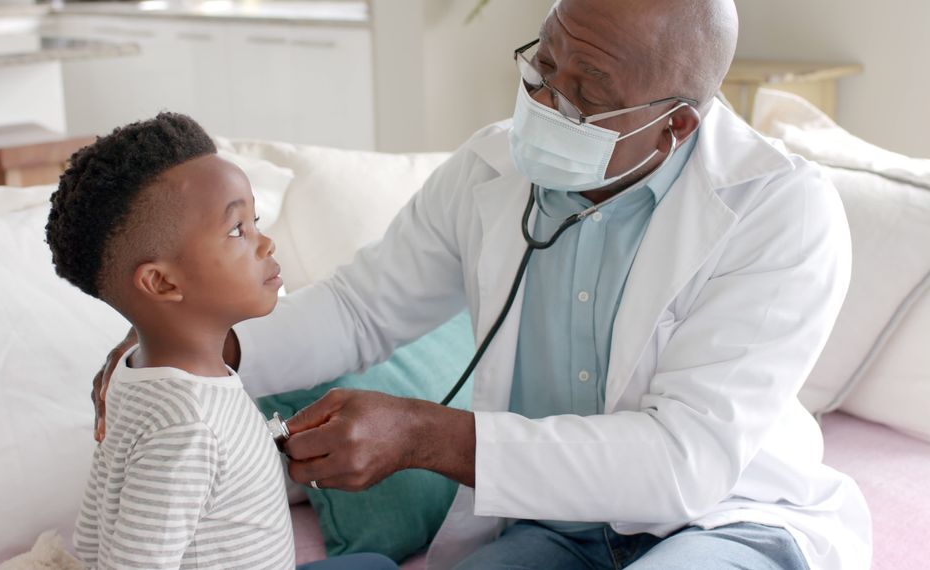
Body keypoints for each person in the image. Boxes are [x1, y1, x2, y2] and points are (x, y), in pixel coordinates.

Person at [93, 0, 872, 568]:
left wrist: (428, 437)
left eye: (588, 91)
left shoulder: (779, 214)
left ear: (674, 126)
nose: (545, 99)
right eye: (543, 62)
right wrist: (193, 350)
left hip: (720, 522)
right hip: (549, 525)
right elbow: (364, 310)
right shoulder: (489, 168)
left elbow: (681, 464)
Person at [47, 112, 397, 570]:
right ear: (162, 283)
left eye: (256, 219)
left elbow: (94, 527)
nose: (266, 243)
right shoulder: (189, 427)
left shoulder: (132, 376)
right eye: (237, 230)